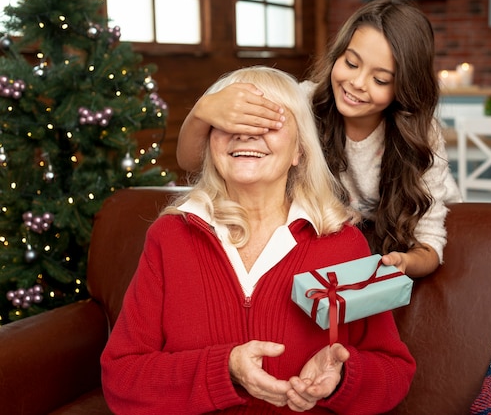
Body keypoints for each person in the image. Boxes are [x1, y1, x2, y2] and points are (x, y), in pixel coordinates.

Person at [100, 66, 416, 414]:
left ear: (299, 151)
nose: (246, 134)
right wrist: (226, 368)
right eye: (230, 121)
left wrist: (342, 378)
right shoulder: (170, 238)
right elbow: (121, 377)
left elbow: (394, 373)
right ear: (209, 143)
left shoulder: (344, 245)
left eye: (268, 121)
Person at [176, 0, 462, 280]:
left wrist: (405, 261)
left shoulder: (421, 135)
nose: (357, 83)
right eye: (351, 63)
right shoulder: (304, 103)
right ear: (337, 55)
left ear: (404, 88)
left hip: (407, 230)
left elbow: (431, 244)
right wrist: (203, 111)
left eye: (380, 80)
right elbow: (191, 161)